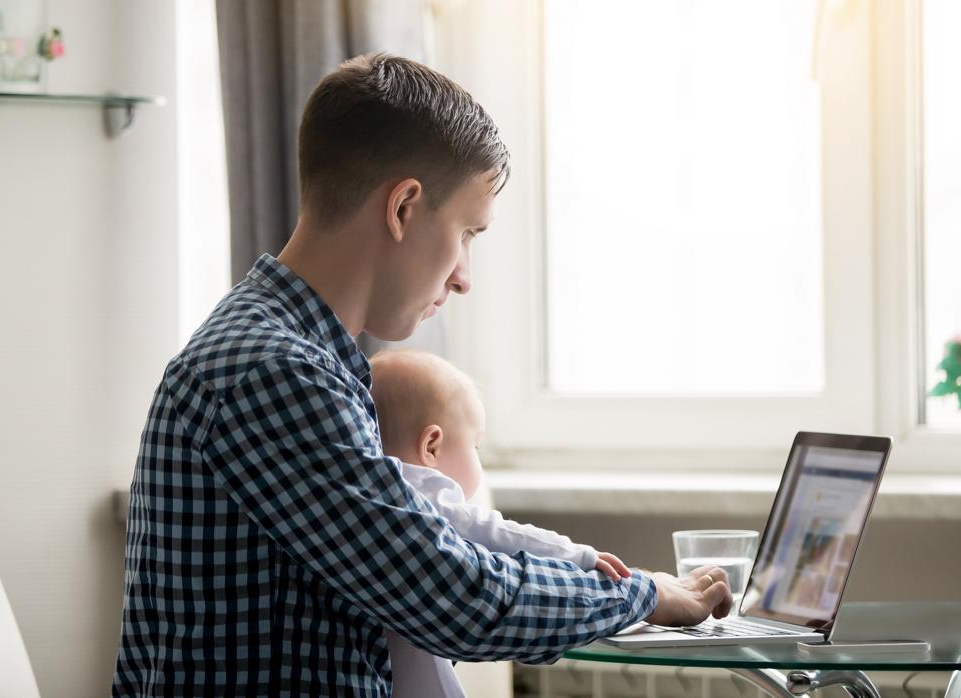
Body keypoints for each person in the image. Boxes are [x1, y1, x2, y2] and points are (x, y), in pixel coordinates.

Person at [112, 52, 731, 697]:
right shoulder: (272, 372)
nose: (464, 276)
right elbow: (457, 599)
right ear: (404, 208)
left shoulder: (293, 358)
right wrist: (642, 594)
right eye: (466, 231)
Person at [368, 349, 631, 698]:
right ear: (431, 446)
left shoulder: (369, 496)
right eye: (475, 446)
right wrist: (576, 555)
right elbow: (494, 532)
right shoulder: (421, 494)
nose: (478, 458)